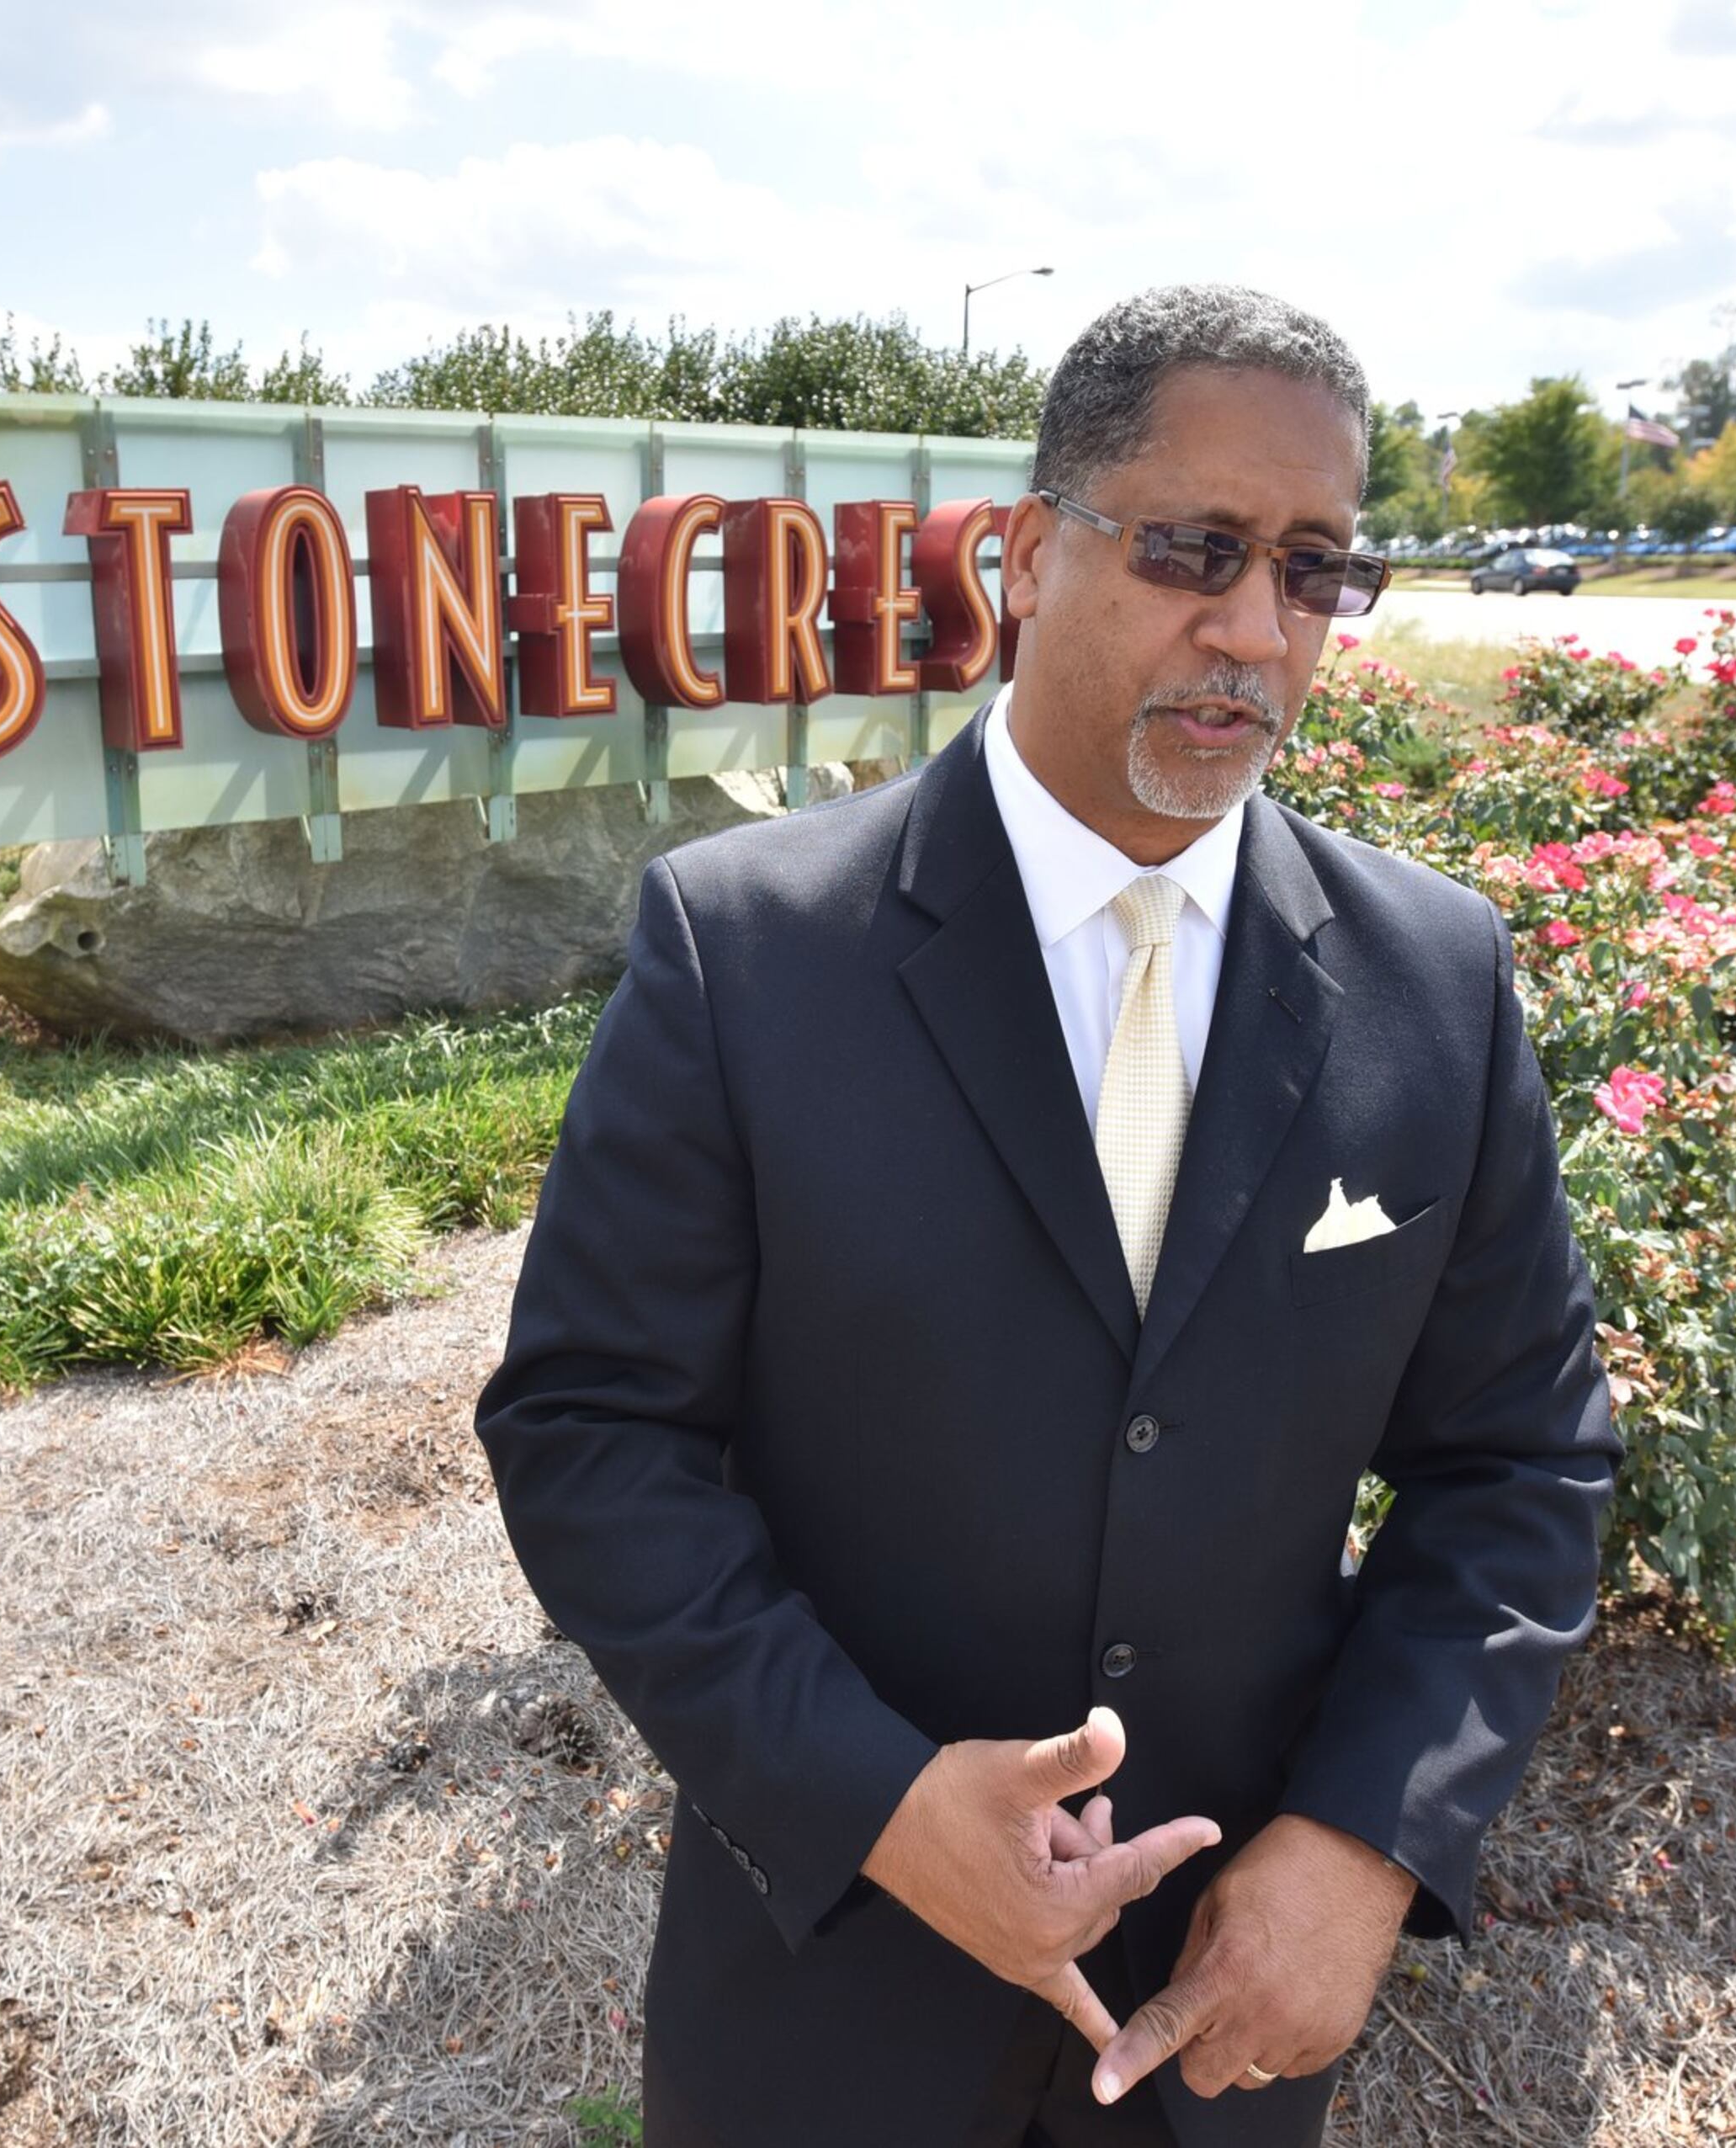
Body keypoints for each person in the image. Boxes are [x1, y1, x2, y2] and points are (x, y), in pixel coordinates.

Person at [474, 283, 1621, 2148]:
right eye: (1195, 548)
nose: (1254, 628)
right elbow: (593, 1433)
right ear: (1024, 554)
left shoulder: (1438, 979)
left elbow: (1521, 1462)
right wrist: (877, 1797)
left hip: (1225, 2028)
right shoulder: (748, 952)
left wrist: (1366, 1846)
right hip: (831, 2012)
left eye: (1315, 568)